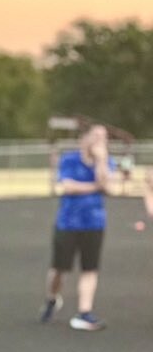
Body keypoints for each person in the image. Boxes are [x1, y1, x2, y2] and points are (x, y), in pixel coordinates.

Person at [44, 122, 119, 331]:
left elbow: (108, 186)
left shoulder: (106, 162)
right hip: (68, 222)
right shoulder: (69, 160)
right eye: (96, 136)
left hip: (94, 222)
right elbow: (67, 186)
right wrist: (95, 187)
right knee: (59, 269)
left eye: (104, 137)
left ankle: (84, 312)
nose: (100, 141)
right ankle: (52, 297)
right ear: (84, 138)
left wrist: (101, 161)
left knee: (90, 268)